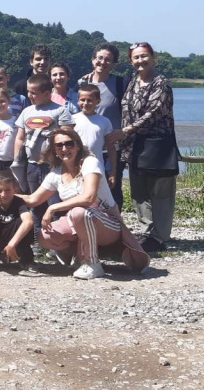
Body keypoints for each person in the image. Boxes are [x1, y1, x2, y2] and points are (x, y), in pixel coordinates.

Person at [19, 127, 149, 280]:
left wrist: (53, 207)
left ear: (78, 145)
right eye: (59, 145)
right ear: (54, 149)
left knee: (79, 212)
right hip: (78, 221)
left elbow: (89, 197)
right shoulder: (56, 172)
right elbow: (33, 199)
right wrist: (0, 195)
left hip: (107, 221)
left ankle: (93, 263)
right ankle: (78, 255)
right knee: (44, 236)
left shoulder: (90, 163)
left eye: (69, 144)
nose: (64, 149)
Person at [109, 42, 179, 254]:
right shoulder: (132, 81)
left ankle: (160, 237)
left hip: (158, 145)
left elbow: (154, 113)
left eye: (144, 56)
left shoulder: (161, 83)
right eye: (136, 57)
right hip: (134, 146)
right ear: (131, 61)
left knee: (160, 193)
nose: (140, 61)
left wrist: (125, 131)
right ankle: (146, 232)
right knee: (139, 192)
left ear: (153, 58)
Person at [12, 73, 74, 231]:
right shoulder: (27, 111)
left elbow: (68, 138)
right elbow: (20, 138)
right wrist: (17, 160)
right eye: (28, 91)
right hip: (32, 165)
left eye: (33, 93)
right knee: (35, 203)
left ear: (47, 93)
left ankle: (58, 237)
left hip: (54, 166)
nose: (29, 95)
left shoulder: (60, 111)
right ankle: (37, 238)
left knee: (55, 204)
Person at [77, 42, 129, 207]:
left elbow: (130, 111)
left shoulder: (121, 84)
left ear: (113, 63)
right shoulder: (82, 82)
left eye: (108, 59)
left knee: (112, 189)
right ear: (93, 60)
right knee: (84, 188)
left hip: (111, 147)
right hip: (87, 148)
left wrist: (124, 131)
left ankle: (114, 221)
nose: (103, 62)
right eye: (99, 58)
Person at [73, 84, 117, 183]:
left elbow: (111, 148)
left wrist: (113, 172)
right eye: (82, 100)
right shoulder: (72, 120)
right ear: (77, 100)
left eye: (90, 100)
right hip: (75, 167)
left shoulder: (104, 121)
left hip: (96, 167)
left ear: (98, 101)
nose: (85, 103)